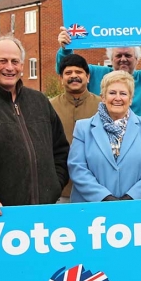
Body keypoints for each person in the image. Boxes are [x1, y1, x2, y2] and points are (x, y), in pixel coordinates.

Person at [0, 35, 69, 212]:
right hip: (0, 213)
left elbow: (60, 149)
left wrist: (55, 185)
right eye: (2, 61)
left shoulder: (40, 101)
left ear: (22, 66)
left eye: (15, 61)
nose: (9, 67)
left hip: (46, 209)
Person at [56, 26, 141, 130]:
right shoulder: (95, 74)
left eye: (128, 55)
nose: (123, 59)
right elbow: (70, 68)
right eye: (118, 56)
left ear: (137, 58)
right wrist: (66, 48)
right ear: (111, 58)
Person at [68, 71, 141, 202]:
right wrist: (104, 197)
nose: (118, 98)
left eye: (123, 93)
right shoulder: (83, 128)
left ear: (131, 99)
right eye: (112, 93)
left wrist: (132, 197)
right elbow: (77, 167)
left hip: (137, 208)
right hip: (92, 210)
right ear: (103, 97)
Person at [50, 53, 101, 202]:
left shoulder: (102, 107)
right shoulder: (49, 107)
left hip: (96, 188)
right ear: (61, 79)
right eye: (68, 73)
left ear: (88, 77)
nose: (74, 76)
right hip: (60, 189)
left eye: (79, 72)